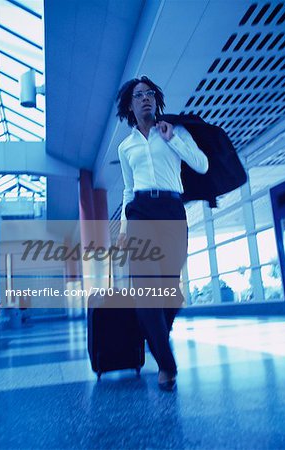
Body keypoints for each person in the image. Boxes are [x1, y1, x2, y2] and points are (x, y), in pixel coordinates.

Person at [116, 76, 208, 391]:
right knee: (144, 292)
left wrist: (174, 141)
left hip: (171, 211)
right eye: (139, 95)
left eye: (150, 94)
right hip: (140, 212)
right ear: (130, 104)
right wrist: (124, 231)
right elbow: (128, 190)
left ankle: (156, 336)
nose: (145, 99)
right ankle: (166, 366)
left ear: (156, 100)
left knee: (171, 293)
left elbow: (202, 165)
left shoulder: (175, 132)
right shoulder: (125, 146)